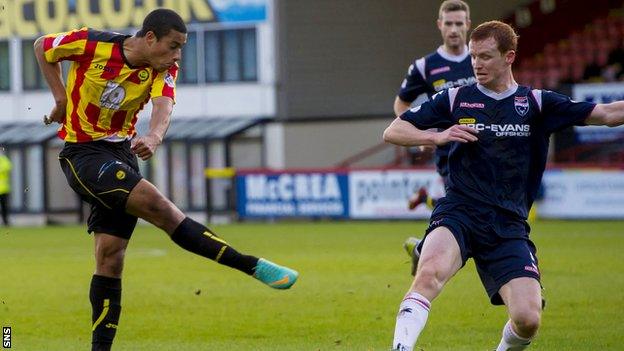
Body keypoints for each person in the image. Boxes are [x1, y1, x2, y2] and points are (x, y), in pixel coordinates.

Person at [34, 9, 298, 351]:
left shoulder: (162, 68)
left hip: (121, 155)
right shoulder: (91, 43)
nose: (177, 55)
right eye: (173, 46)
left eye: (181, 48)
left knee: (110, 258)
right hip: (83, 154)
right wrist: (60, 98)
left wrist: (155, 135)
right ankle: (249, 264)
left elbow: (163, 106)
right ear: (149, 38)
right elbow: (43, 46)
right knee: (161, 208)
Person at [383, 20, 624, 351]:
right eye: (473, 57)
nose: (476, 65)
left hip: (508, 225)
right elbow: (394, 130)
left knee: (528, 318)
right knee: (428, 275)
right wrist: (435, 135)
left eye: (485, 57)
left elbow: (608, 114)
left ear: (509, 57)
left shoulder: (537, 103)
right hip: (459, 212)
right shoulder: (455, 99)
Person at [393, 0, 475, 275]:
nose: (454, 29)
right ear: (440, 25)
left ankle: (422, 247)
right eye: (448, 23)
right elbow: (401, 105)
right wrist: (422, 135)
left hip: (488, 147)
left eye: (459, 23)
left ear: (468, 25)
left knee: (480, 209)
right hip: (451, 153)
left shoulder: (481, 58)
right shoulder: (425, 66)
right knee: (467, 207)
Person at [0, 148, 11, 226]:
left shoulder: (3, 159)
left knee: (4, 207)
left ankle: (5, 221)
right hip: (3, 187)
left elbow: (8, 167)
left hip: (3, 188)